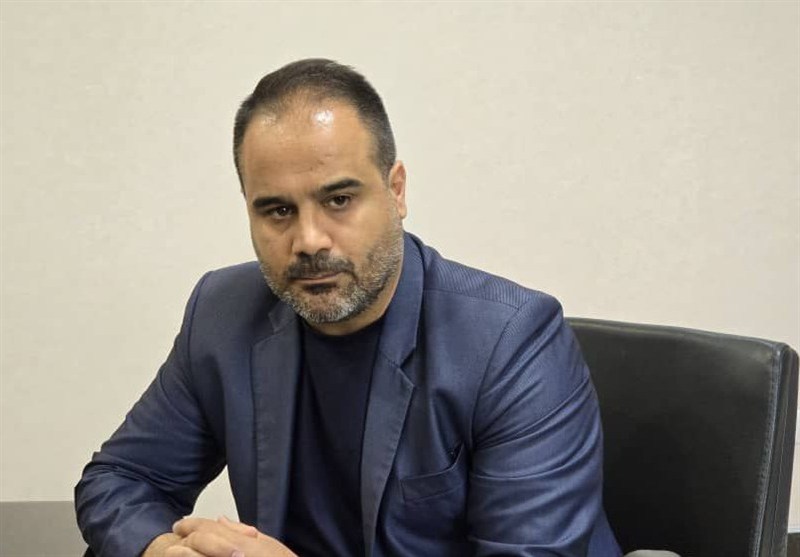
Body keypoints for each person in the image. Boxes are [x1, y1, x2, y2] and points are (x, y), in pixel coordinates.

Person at [76, 58, 621, 557]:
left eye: (338, 200)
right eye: (277, 211)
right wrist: (163, 552)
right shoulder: (222, 314)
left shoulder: (512, 340)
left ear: (396, 190)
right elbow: (120, 480)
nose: (309, 240)